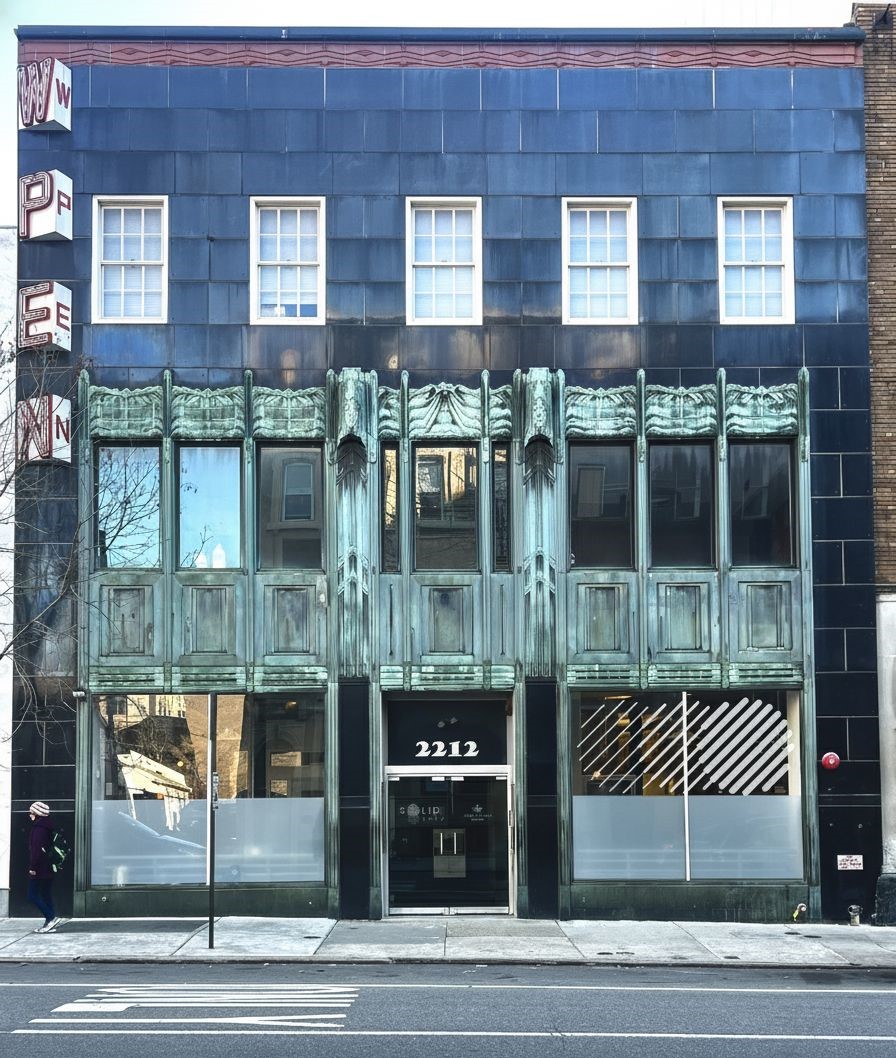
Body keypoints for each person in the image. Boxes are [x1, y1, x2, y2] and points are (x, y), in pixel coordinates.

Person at [27, 801, 60, 933]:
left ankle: (51, 917)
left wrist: (33, 867)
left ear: (37, 813)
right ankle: (50, 922)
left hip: (40, 868)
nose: (29, 815)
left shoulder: (39, 829)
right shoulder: (47, 826)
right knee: (45, 894)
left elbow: (37, 850)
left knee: (32, 895)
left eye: (31, 812)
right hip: (48, 866)